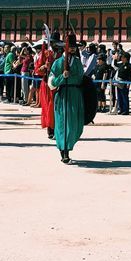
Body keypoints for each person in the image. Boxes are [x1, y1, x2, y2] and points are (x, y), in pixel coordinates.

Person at [48, 31, 85, 164]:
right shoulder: (58, 63)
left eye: (74, 46)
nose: (73, 48)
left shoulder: (77, 62)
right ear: (65, 47)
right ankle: (64, 152)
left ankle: (68, 147)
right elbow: (51, 83)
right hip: (62, 95)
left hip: (75, 95)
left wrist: (71, 77)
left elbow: (80, 78)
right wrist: (62, 77)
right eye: (70, 45)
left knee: (74, 124)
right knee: (62, 123)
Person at [35, 40, 56, 138]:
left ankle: (58, 129)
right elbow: (37, 70)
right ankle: (50, 129)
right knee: (48, 107)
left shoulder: (62, 54)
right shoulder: (44, 54)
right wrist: (45, 66)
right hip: (47, 85)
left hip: (58, 84)